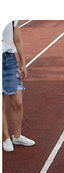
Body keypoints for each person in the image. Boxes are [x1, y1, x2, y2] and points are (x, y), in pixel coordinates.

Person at [2, 20, 35, 152]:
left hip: (9, 60)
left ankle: (17, 136)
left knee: (18, 103)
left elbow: (18, 40)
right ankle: (5, 138)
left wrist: (23, 64)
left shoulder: (13, 18)